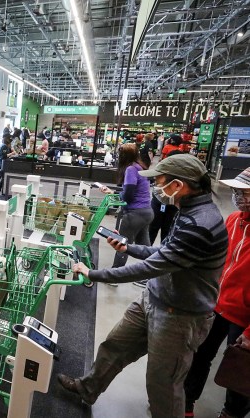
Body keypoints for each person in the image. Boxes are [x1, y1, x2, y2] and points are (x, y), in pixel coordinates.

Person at [59, 154, 229, 418]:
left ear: (177, 185)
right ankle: (87, 388)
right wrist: (130, 247)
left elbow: (151, 267)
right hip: (154, 298)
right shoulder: (188, 211)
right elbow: (164, 253)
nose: (156, 188)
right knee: (115, 346)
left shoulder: (201, 224)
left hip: (180, 317)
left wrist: (93, 273)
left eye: (159, 182)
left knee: (163, 385)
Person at [184, 167, 250, 418]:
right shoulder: (233, 220)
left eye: (245, 192)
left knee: (240, 368)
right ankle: (186, 403)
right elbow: (220, 260)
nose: (238, 196)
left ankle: (232, 412)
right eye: (236, 191)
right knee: (200, 355)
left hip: (245, 316)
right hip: (217, 304)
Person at [98, 143, 153, 286]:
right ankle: (149, 277)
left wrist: (114, 194)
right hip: (146, 212)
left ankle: (115, 276)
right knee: (145, 247)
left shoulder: (130, 169)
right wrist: (114, 193)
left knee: (121, 243)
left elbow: (128, 195)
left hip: (134, 214)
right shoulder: (140, 167)